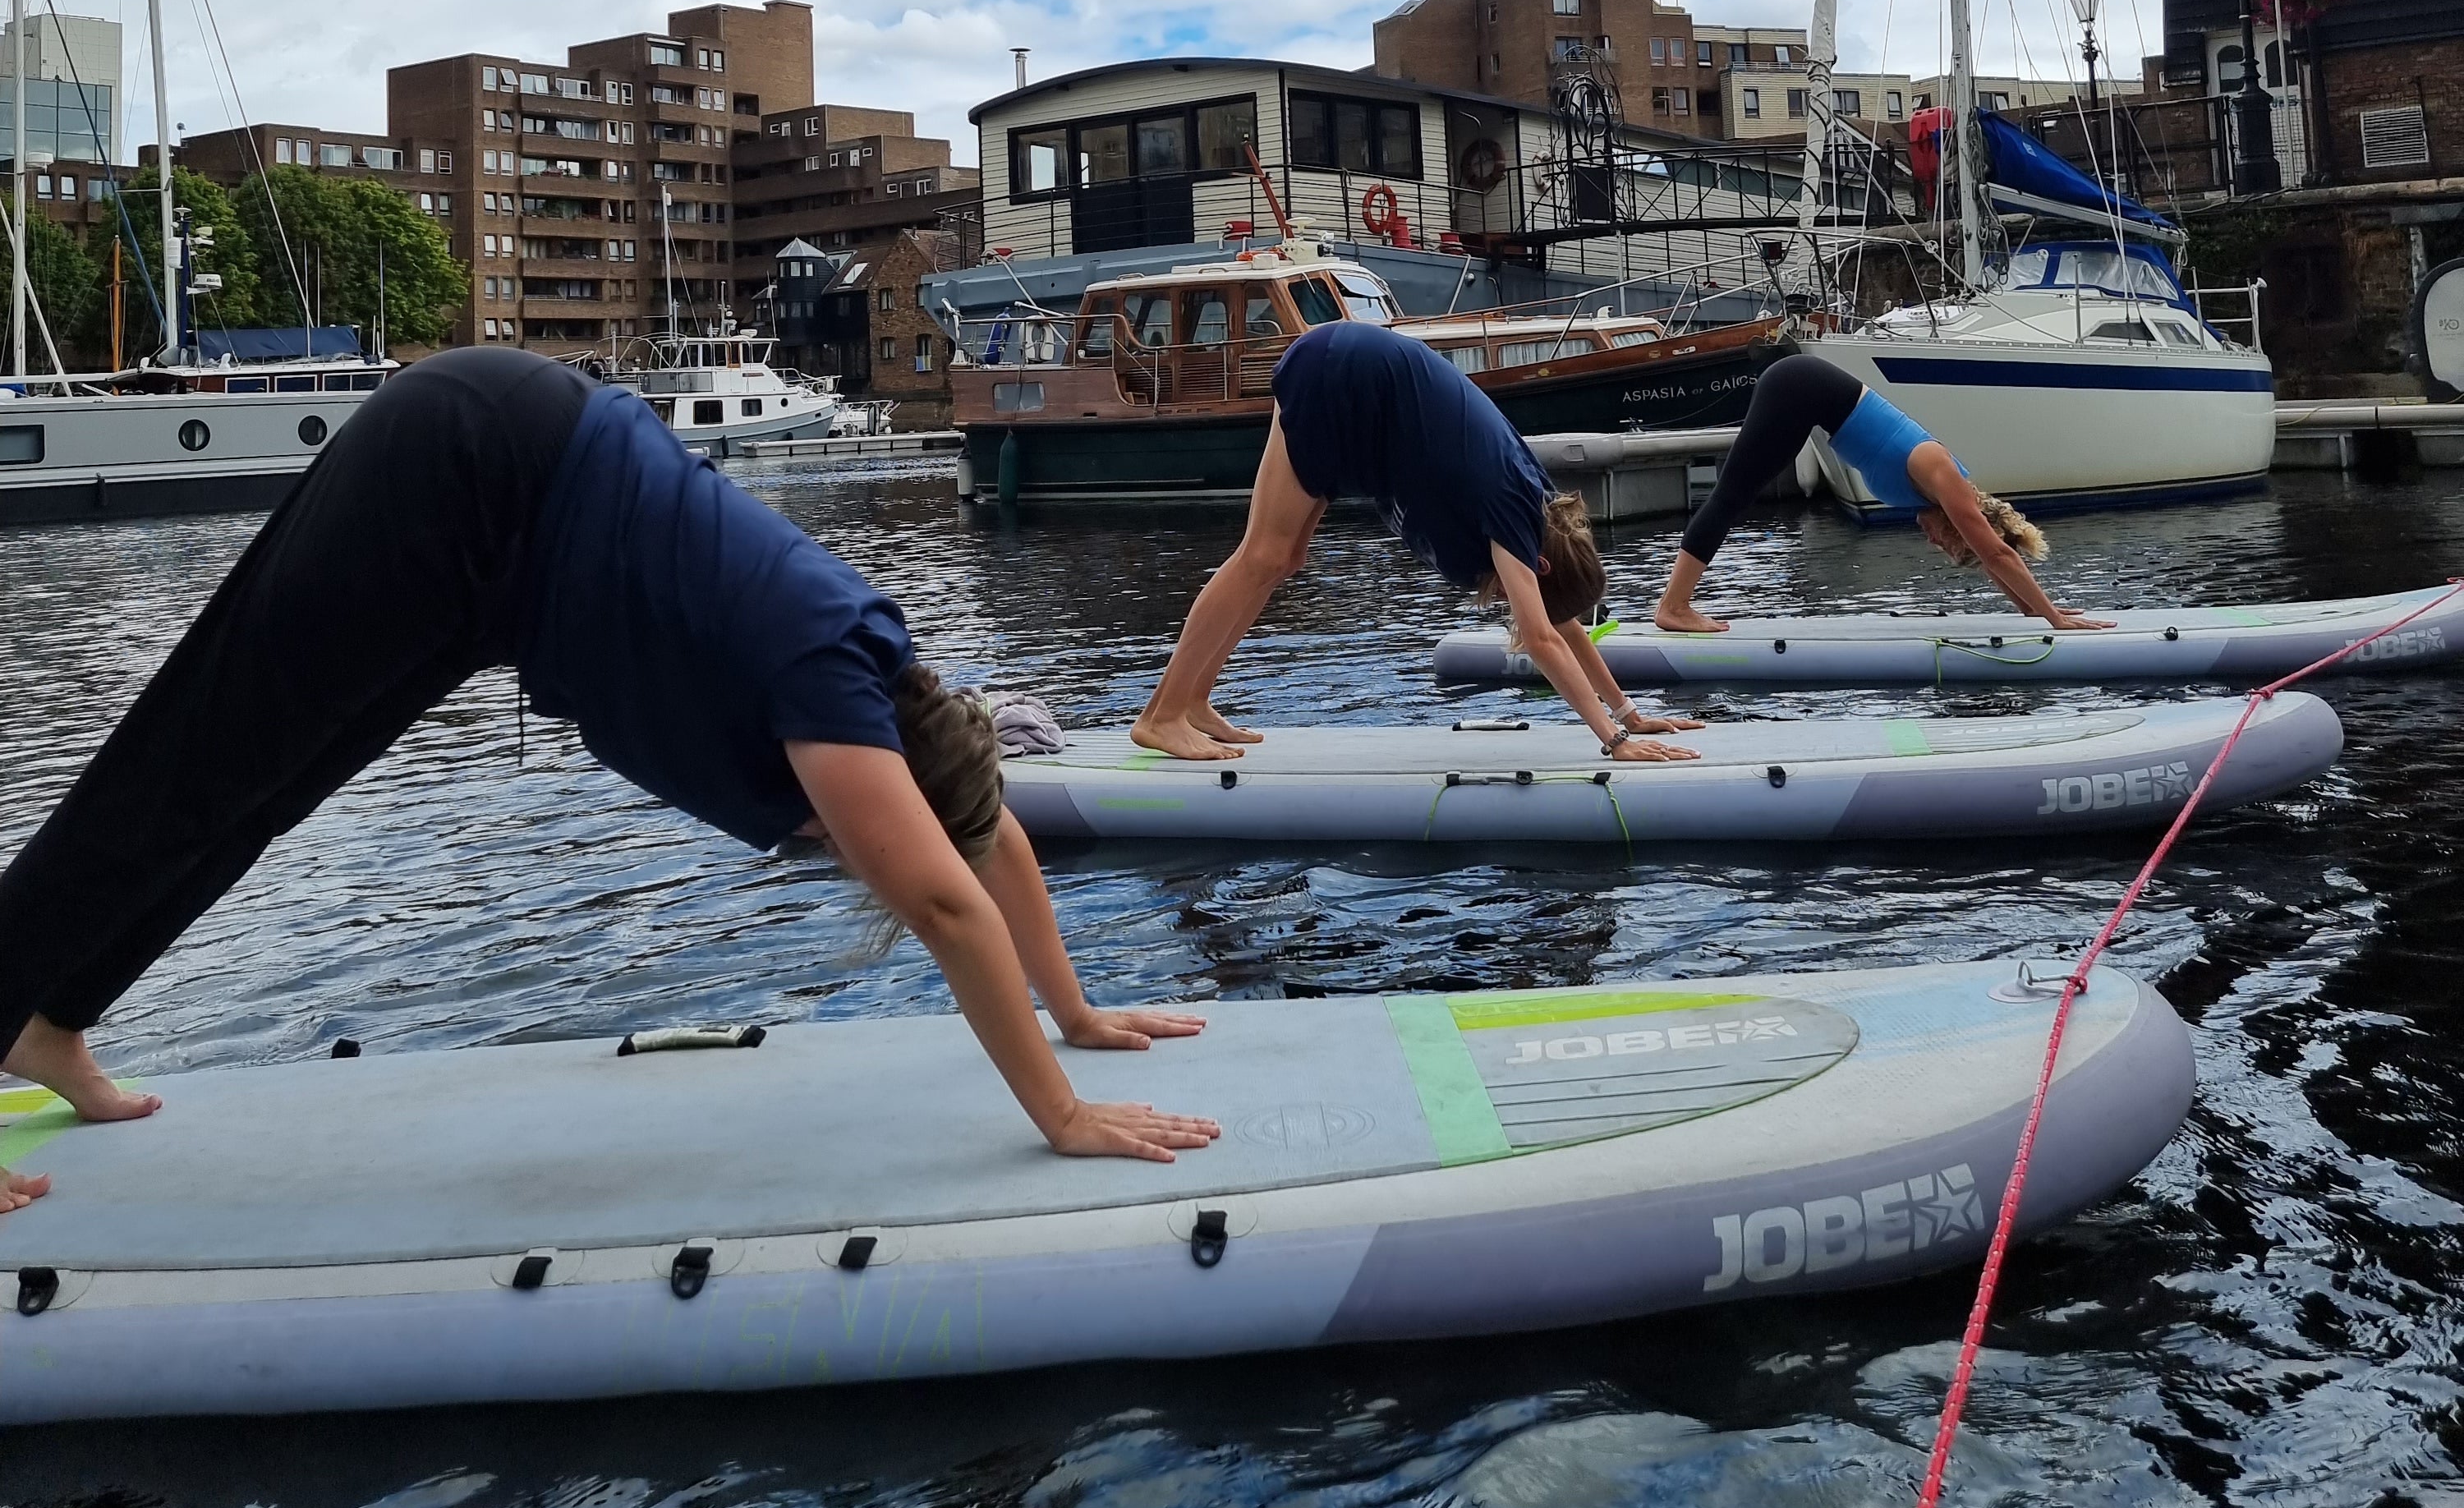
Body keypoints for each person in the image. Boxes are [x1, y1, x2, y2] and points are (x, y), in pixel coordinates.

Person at [0, 348, 1216, 1224]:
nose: (851, 850)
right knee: (188, 766)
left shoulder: (903, 702)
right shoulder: (833, 697)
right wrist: (1059, 1113)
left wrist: (1077, 1011)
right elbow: (949, 903)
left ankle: (51, 1025)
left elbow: (985, 836)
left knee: (268, 790)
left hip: (502, 545)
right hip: (466, 471)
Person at [1131, 319, 1702, 763]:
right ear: (1545, 567)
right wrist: (1613, 741)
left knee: (1283, 557)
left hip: (1356, 388)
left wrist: (1630, 714)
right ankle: (1163, 716)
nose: (1505, 602)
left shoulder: (1538, 515)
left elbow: (1560, 624)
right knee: (1263, 555)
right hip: (1342, 378)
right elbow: (1543, 637)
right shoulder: (1512, 512)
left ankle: (1192, 703)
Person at [1652, 349, 2112, 634]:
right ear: (1960, 524)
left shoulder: (1936, 496)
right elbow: (1996, 553)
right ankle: (1673, 606)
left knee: (1737, 496)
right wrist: (2053, 615)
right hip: (1799, 385)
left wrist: (2031, 611)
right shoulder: (1944, 475)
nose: (1932, 542)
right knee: (1731, 496)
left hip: (1804, 401)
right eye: (1946, 543)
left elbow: (1991, 554)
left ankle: (1675, 602)